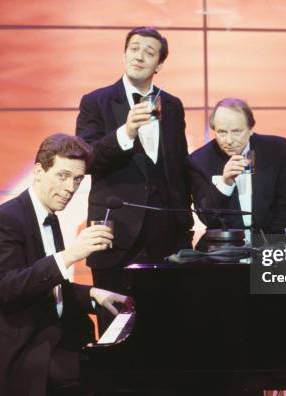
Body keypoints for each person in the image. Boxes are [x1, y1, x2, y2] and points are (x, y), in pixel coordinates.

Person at [0, 134, 131, 396]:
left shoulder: (49, 217)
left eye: (77, 179)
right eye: (62, 176)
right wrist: (70, 254)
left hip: (50, 338)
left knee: (110, 369)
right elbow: (6, 288)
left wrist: (93, 293)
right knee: (103, 377)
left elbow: (48, 285)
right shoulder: (5, 221)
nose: (70, 188)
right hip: (18, 349)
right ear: (39, 171)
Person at [75, 27, 193, 331]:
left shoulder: (172, 105)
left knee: (164, 328)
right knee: (116, 329)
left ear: (159, 66)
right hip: (115, 235)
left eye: (149, 52)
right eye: (134, 48)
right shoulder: (96, 102)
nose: (139, 56)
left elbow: (178, 170)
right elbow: (86, 160)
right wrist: (125, 132)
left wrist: (185, 229)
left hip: (166, 240)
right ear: (125, 53)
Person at [187, 98, 286, 237]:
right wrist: (224, 184)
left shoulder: (276, 149)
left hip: (269, 241)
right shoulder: (200, 160)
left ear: (250, 129)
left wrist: (268, 241)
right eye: (222, 132)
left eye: (236, 131)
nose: (228, 140)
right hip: (225, 245)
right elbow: (208, 219)